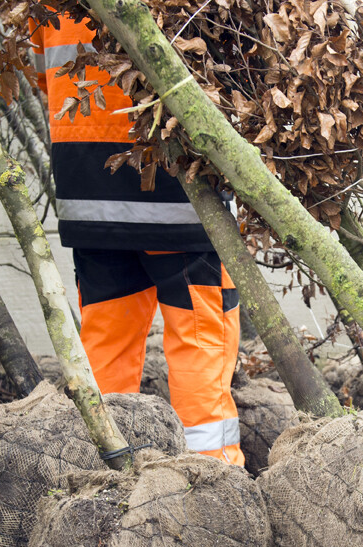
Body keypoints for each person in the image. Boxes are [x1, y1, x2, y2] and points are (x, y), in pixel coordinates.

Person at [33, 14, 243, 465]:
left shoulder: (49, 5)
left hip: (89, 195)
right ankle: (212, 477)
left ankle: (107, 475)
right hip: (179, 193)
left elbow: (41, 76)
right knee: (200, 340)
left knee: (106, 342)